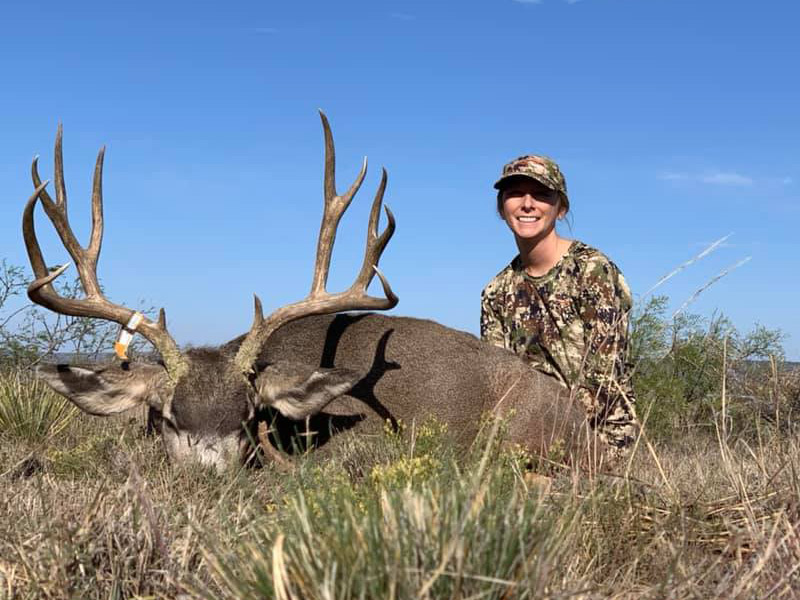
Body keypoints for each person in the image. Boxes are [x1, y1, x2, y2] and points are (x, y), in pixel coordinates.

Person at [480, 155, 639, 456]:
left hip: (600, 441)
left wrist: (556, 438)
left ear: (561, 208)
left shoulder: (592, 270)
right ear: (502, 208)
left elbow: (606, 380)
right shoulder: (495, 292)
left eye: (541, 194)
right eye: (515, 193)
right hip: (527, 441)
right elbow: (499, 384)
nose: (528, 204)